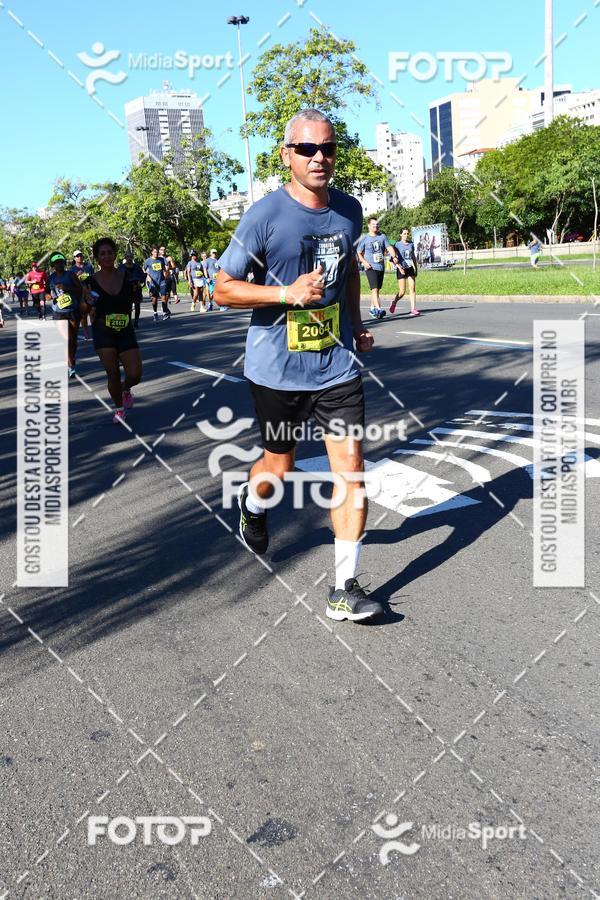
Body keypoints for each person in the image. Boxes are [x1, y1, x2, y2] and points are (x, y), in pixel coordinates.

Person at [215, 107, 383, 624]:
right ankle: (253, 504)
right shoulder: (264, 215)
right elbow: (224, 287)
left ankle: (343, 588)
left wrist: (355, 325)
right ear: (287, 155)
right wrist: (285, 293)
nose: (319, 158)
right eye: (307, 149)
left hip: (336, 365)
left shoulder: (350, 211)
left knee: (351, 470)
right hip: (276, 369)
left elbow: (349, 271)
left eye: (328, 148)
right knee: (279, 468)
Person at [87, 237, 142, 424]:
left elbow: (135, 299)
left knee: (135, 373)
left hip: (125, 329)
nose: (107, 256)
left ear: (115, 254)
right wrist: (87, 306)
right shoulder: (90, 282)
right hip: (103, 331)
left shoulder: (126, 277)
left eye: (110, 252)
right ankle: (119, 408)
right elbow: (82, 309)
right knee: (112, 373)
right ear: (97, 258)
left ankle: (125, 389)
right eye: (102, 253)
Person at [47, 252, 85, 377]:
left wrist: (67, 287)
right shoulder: (51, 278)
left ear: (64, 263)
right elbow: (47, 293)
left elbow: (80, 289)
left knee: (73, 341)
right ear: (53, 265)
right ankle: (70, 366)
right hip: (59, 312)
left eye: (61, 262)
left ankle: (71, 359)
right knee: (66, 339)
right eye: (57, 263)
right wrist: (49, 297)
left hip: (73, 310)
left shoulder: (70, 275)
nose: (59, 264)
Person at [356, 218, 397, 319]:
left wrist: (394, 256)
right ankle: (378, 309)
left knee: (377, 289)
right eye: (374, 225)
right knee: (374, 289)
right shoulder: (365, 238)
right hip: (370, 267)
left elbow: (389, 247)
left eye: (377, 225)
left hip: (380, 267)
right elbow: (359, 252)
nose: (376, 226)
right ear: (369, 226)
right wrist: (364, 262)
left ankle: (372, 308)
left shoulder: (382, 237)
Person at [390, 227, 420, 317]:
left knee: (412, 289)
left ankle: (413, 309)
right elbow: (392, 259)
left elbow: (413, 257)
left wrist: (416, 268)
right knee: (402, 292)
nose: (406, 235)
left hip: (410, 268)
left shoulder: (411, 244)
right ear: (401, 235)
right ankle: (394, 302)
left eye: (407, 233)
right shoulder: (397, 245)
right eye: (404, 234)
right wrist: (399, 268)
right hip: (401, 269)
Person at [70, 250, 95, 339]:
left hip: (89, 292)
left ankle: (95, 331)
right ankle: (85, 332)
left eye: (80, 255)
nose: (79, 257)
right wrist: (77, 276)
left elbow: (93, 279)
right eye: (77, 256)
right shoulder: (72, 269)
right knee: (83, 314)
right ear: (74, 258)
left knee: (92, 312)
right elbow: (71, 282)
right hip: (79, 293)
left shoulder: (88, 266)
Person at [118, 252, 145, 327]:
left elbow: (142, 276)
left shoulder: (137, 267)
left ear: (132, 257)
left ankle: (136, 321)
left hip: (137, 289)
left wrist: (140, 281)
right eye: (127, 257)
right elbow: (117, 278)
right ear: (125, 258)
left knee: (137, 305)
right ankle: (129, 322)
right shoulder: (121, 267)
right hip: (126, 290)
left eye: (130, 256)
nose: (129, 258)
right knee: (128, 306)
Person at [143, 247, 170, 322]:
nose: (156, 253)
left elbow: (165, 269)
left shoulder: (162, 259)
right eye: (154, 252)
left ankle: (164, 313)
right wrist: (147, 276)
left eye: (157, 252)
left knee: (164, 298)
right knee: (154, 299)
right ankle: (155, 313)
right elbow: (144, 270)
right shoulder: (148, 261)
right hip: (153, 282)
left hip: (162, 281)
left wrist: (166, 275)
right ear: (152, 252)